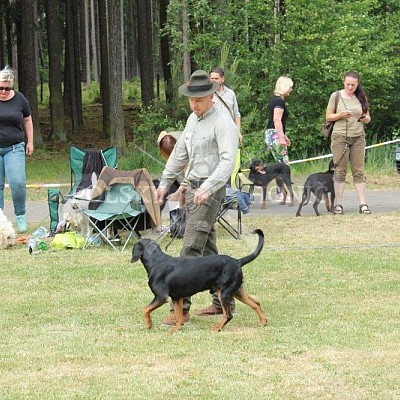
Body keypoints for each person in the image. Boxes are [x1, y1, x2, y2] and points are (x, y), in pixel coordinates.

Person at [155, 70, 239, 326]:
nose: (194, 103)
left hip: (211, 190)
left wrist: (208, 188)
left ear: (212, 96)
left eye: (199, 99)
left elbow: (227, 161)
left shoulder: (223, 123)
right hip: (194, 187)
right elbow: (180, 153)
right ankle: (222, 301)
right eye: (191, 99)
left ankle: (182, 309)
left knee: (190, 246)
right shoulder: (193, 119)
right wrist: (165, 183)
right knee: (207, 246)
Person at [325, 70, 371, 215]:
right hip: (340, 137)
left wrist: (365, 119)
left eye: (353, 85)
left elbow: (368, 116)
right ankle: (338, 204)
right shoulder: (336, 96)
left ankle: (363, 204)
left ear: (358, 84)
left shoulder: (361, 97)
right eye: (348, 84)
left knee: (359, 170)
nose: (350, 87)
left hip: (358, 137)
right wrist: (340, 115)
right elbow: (328, 116)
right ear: (343, 82)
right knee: (340, 170)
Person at [0, 66, 34, 233]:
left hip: (14, 146)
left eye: (7, 88)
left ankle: (20, 215)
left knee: (18, 182)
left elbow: (27, 120)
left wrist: (30, 142)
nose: (4, 91)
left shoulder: (20, 99)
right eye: (1, 88)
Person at [264, 76, 293, 165]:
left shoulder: (274, 100)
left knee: (280, 164)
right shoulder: (279, 102)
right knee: (284, 165)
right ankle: (283, 179)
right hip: (275, 135)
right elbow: (276, 120)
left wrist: (284, 136)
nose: (291, 90)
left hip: (272, 133)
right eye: (290, 87)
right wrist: (281, 138)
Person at [210, 67, 242, 142]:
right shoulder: (207, 95)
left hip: (229, 131)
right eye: (212, 78)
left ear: (222, 79)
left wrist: (238, 132)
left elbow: (236, 114)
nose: (214, 81)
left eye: (216, 78)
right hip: (213, 133)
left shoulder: (230, 94)